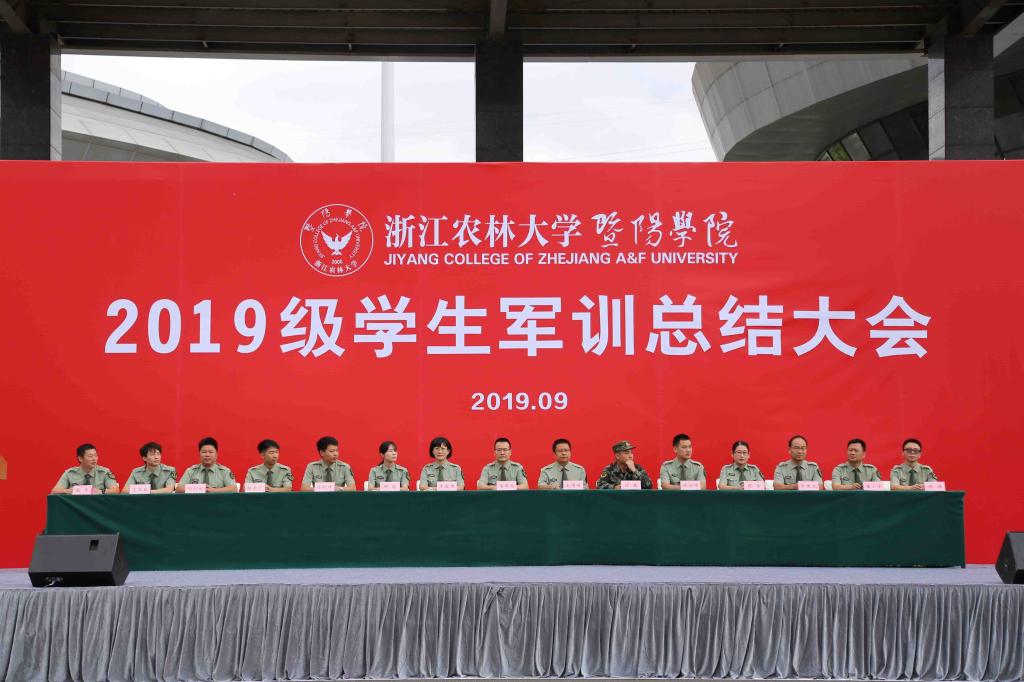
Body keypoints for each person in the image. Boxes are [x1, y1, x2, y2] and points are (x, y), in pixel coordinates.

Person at [52, 443, 119, 494]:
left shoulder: (104, 472)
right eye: (90, 456)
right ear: (80, 458)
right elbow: (54, 491)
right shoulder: (69, 473)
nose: (94, 459)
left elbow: (116, 490)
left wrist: (100, 491)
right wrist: (70, 491)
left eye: (95, 455)